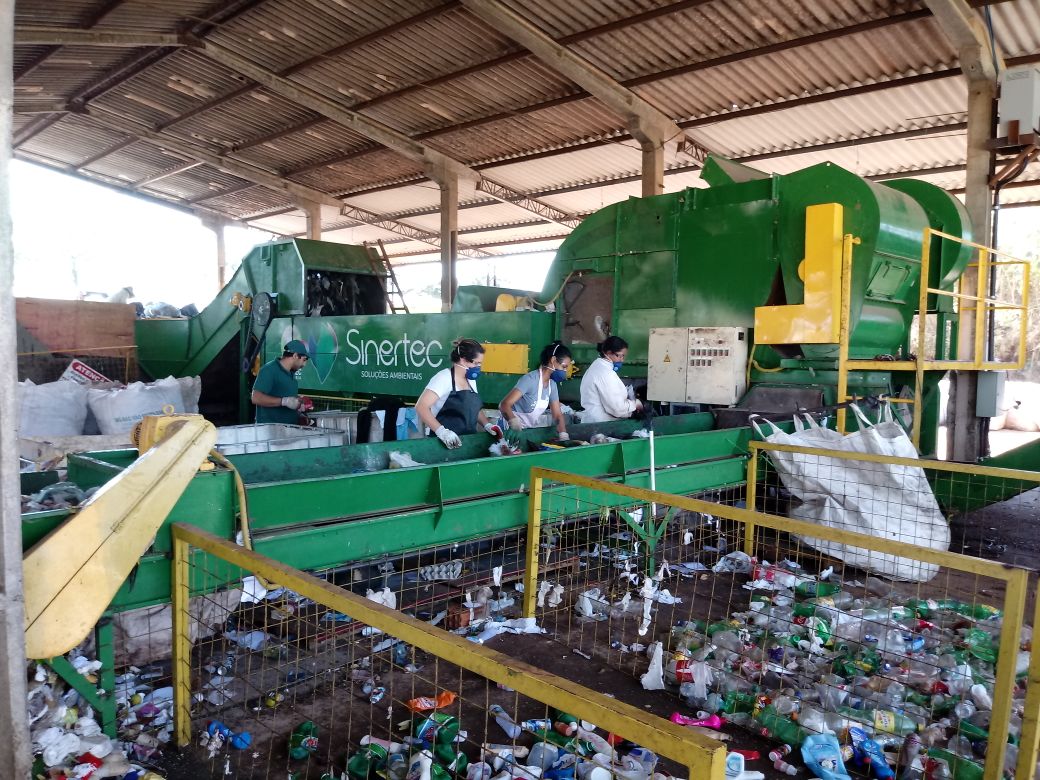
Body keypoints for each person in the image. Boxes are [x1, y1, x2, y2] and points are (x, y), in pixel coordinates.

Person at [416, 338, 502, 448]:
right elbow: (421, 407)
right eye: (476, 363)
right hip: (441, 443)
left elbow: (472, 408)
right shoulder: (443, 378)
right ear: (463, 359)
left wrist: (487, 425)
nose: (478, 367)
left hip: (468, 441)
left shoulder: (471, 380)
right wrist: (442, 432)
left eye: (480, 364)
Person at [499, 341, 573, 439]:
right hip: (508, 431)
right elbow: (504, 405)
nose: (565, 371)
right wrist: (513, 422)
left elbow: (557, 415)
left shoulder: (552, 385)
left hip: (527, 431)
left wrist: (563, 434)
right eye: (564, 367)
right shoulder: (530, 380)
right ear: (553, 360)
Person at [579, 336, 642, 423]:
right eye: (619, 356)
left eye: (624, 356)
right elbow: (616, 409)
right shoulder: (605, 372)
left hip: (595, 421)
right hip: (600, 424)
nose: (622, 360)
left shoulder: (598, 366)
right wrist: (634, 404)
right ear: (608, 353)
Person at [251, 339, 310, 424]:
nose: (304, 365)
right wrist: (284, 401)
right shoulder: (269, 370)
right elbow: (256, 398)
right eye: (304, 360)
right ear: (295, 356)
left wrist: (298, 414)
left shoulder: (291, 374)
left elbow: (288, 403)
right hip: (269, 431)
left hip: (288, 430)